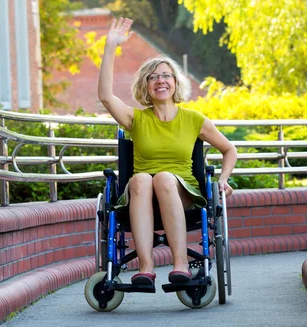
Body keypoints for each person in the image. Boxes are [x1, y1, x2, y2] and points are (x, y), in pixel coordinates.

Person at [98, 17, 237, 286]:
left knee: (163, 177)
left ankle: (180, 264)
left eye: (166, 75)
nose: (160, 80)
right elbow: (105, 96)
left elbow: (229, 149)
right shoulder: (135, 119)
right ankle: (146, 267)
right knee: (140, 178)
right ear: (145, 86)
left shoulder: (195, 120)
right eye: (153, 77)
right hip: (141, 195)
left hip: (182, 192)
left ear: (175, 82)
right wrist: (110, 47)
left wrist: (223, 179)